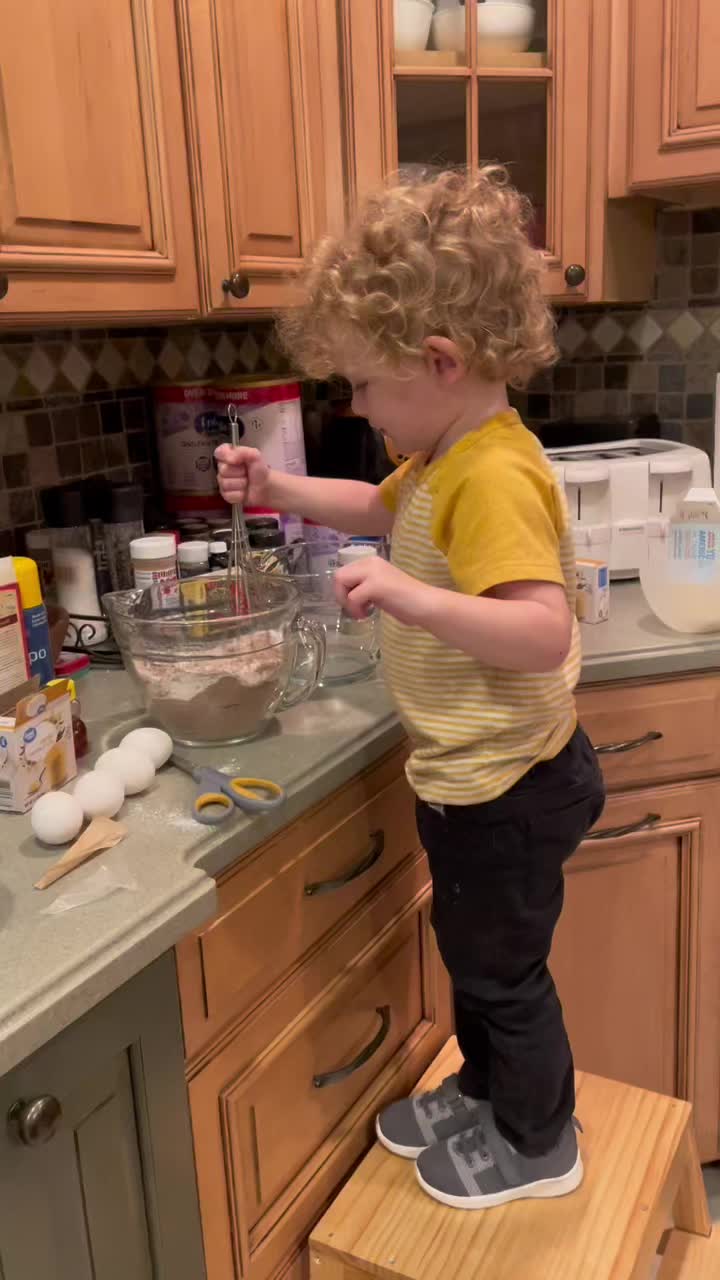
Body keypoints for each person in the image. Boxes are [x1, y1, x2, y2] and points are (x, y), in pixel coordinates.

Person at [216, 167, 606, 1212]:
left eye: (362, 383)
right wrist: (279, 485)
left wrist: (406, 596)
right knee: (477, 958)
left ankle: (538, 1140)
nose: (354, 404)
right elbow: (376, 507)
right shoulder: (442, 456)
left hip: (511, 786)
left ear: (438, 362)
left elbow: (541, 632)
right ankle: (486, 1092)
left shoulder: (493, 474)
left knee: (503, 975)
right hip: (476, 779)